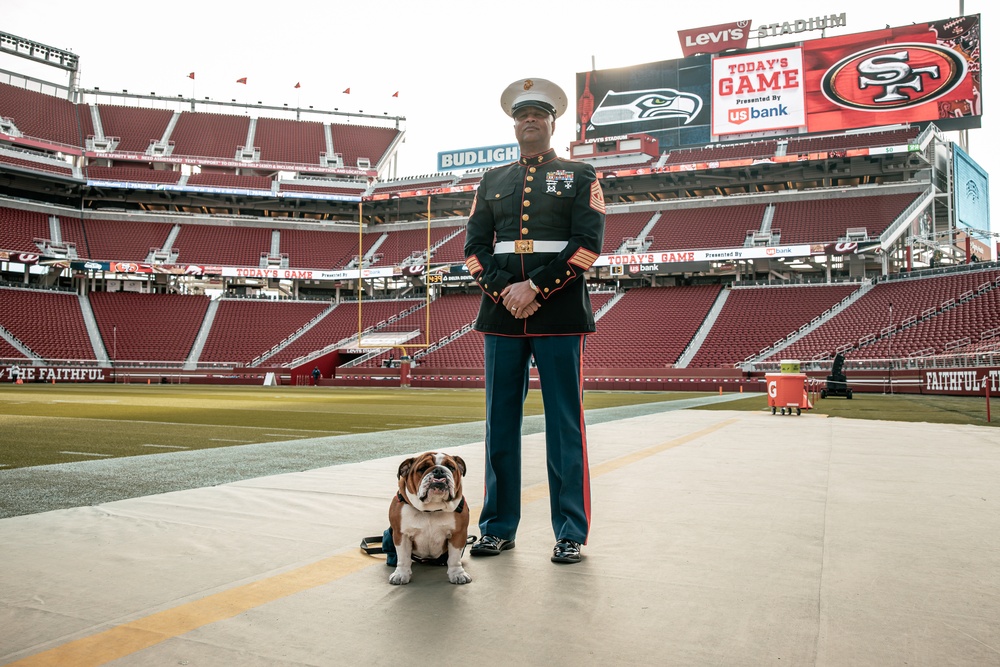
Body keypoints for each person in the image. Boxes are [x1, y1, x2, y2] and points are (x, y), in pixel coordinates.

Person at [464, 77, 606, 564]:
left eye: (538, 114)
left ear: (552, 122)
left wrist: (536, 288)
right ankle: (497, 527)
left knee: (564, 425)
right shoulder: (492, 181)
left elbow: (587, 246)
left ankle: (570, 531)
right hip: (502, 314)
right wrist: (506, 291)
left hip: (560, 313)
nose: (530, 121)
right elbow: (474, 250)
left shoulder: (581, 174)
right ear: (514, 123)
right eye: (522, 114)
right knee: (498, 424)